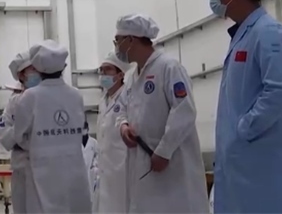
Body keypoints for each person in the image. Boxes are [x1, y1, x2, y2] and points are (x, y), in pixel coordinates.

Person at [199, 0, 282, 214]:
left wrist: (244, 129)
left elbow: (280, 91)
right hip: (244, 163)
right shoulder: (244, 35)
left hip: (262, 160)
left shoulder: (268, 32)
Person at [114, 14, 208, 213]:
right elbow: (121, 108)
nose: (116, 47)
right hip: (142, 163)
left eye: (118, 40)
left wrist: (164, 151)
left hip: (171, 163)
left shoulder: (168, 67)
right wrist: (123, 127)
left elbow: (184, 110)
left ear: (131, 39)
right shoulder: (132, 78)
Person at [9, 40, 92, 214]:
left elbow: (19, 135)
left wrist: (38, 143)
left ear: (38, 67)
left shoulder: (29, 97)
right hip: (73, 168)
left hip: (41, 170)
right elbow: (82, 132)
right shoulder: (75, 95)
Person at [93, 51, 131, 213]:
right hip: (105, 168)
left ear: (120, 74)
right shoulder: (103, 100)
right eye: (101, 70)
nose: (103, 74)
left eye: (108, 69)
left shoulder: (128, 96)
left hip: (123, 168)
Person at [0, 84, 26, 214]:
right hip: (19, 166)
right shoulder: (13, 104)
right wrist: (21, 136)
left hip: (45, 169)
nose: (16, 94)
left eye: (18, 91)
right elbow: (3, 134)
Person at [81, 121, 98, 198]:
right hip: (80, 170)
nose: (83, 130)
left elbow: (97, 154)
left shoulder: (93, 142)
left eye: (84, 128)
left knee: (92, 193)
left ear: (87, 129)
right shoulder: (76, 142)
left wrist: (94, 165)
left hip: (91, 170)